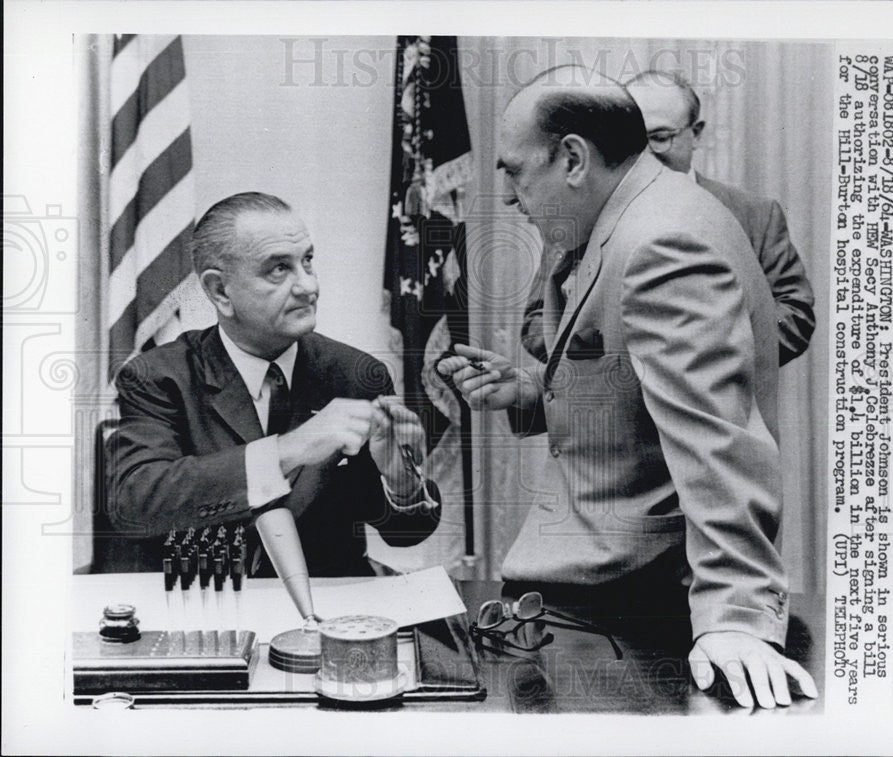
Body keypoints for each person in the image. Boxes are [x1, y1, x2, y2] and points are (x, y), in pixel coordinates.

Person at [438, 66, 818, 709]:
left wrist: (736, 617)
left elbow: (717, 437)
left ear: (574, 158)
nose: (506, 195)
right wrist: (532, 391)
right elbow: (632, 386)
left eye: (514, 169)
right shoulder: (625, 217)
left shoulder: (662, 240)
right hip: (598, 587)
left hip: (633, 607)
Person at [105, 192, 440, 577]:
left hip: (326, 611)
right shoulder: (158, 377)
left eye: (307, 261)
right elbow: (137, 502)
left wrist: (401, 484)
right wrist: (288, 450)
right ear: (219, 291)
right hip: (213, 610)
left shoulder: (356, 373)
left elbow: (407, 532)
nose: (308, 287)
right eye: (279, 269)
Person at [521, 69, 815, 367]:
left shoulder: (755, 215)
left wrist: (707, 356)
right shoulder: (582, 214)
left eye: (660, 138)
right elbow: (536, 321)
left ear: (696, 133)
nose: (646, 155)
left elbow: (795, 314)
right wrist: (607, 357)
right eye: (632, 139)